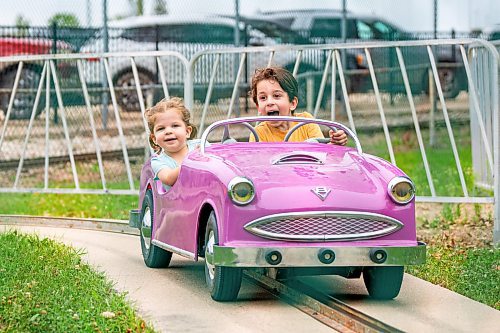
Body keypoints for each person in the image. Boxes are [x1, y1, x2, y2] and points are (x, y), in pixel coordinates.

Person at [249, 66, 348, 145]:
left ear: (292, 103)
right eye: (263, 98)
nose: (269, 102)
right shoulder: (258, 133)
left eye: (276, 95)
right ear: (258, 107)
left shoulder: (306, 121)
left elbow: (321, 152)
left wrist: (335, 143)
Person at [145, 97, 199, 191]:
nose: (168, 131)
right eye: (161, 128)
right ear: (154, 139)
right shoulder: (158, 161)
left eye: (175, 126)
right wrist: (192, 160)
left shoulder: (200, 145)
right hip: (178, 202)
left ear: (187, 131)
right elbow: (168, 179)